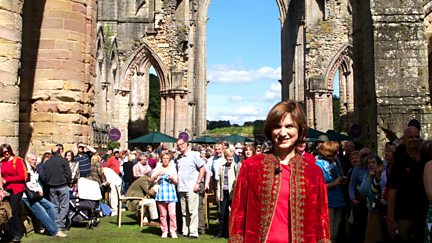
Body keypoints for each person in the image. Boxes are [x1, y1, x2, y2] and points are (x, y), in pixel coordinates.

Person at [229, 100, 330, 243]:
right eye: (277, 127)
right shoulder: (251, 167)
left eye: (289, 126)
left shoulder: (313, 172)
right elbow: (238, 215)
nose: (283, 133)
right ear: (270, 130)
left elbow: (322, 219)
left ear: (299, 129)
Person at [387, 126, 428, 241]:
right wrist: (390, 219)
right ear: (404, 140)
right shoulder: (399, 162)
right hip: (404, 215)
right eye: (410, 137)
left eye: (417, 136)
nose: (414, 139)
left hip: (423, 214)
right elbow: (392, 193)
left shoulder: (427, 160)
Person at [22, 152, 67, 238]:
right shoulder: (25, 169)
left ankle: (50, 228)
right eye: (32, 159)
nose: (34, 161)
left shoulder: (34, 168)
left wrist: (39, 189)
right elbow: (26, 183)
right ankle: (54, 231)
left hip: (36, 193)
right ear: (27, 159)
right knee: (41, 211)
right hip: (28, 196)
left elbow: (36, 181)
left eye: (35, 160)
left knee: (50, 206)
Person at [315, 141, 346, 242]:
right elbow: (316, 187)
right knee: (328, 233)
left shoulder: (334, 163)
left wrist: (342, 179)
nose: (337, 153)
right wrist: (334, 183)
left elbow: (337, 177)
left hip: (338, 200)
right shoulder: (318, 165)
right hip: (327, 202)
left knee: (335, 233)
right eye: (335, 152)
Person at [176, 138, 206, 238]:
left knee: (192, 211)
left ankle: (193, 232)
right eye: (178, 145)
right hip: (181, 187)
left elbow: (202, 168)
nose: (180, 146)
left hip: (191, 187)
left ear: (187, 144)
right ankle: (185, 231)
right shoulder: (178, 158)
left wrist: (198, 183)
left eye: (181, 144)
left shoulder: (194, 155)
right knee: (184, 212)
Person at [40, 145, 72, 231]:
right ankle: (60, 224)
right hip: (63, 186)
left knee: (55, 206)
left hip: (52, 187)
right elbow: (68, 173)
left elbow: (43, 176)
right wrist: (68, 181)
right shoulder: (63, 161)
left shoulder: (47, 162)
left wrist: (48, 182)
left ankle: (56, 223)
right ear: (59, 152)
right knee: (64, 206)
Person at [0, 144, 27, 242]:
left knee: (14, 210)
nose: (6, 153)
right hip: (6, 190)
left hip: (17, 189)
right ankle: (8, 233)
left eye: (7, 151)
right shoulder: (2, 162)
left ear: (10, 151)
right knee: (6, 211)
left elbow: (22, 177)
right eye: (4, 152)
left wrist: (8, 180)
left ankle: (17, 234)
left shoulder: (17, 161)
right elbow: (1, 176)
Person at [150, 151, 178, 238]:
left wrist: (172, 178)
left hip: (171, 193)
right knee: (163, 215)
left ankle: (173, 231)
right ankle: (164, 231)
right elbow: (150, 180)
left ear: (169, 159)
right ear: (161, 159)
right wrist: (157, 175)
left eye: (167, 158)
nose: (165, 160)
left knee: (172, 214)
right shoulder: (158, 167)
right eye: (163, 158)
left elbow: (176, 182)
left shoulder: (173, 168)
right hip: (161, 193)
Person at [359, 154, 387, 243]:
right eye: (369, 163)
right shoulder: (367, 176)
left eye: (373, 162)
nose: (370, 165)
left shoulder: (385, 175)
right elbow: (363, 193)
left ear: (379, 164)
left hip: (384, 212)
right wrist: (369, 177)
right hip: (372, 212)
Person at [215, 149, 237, 238]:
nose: (230, 158)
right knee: (223, 213)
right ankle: (221, 232)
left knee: (233, 213)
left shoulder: (235, 167)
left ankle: (232, 232)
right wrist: (219, 194)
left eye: (231, 156)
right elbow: (219, 182)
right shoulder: (222, 167)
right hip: (223, 192)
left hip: (232, 192)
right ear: (225, 157)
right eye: (228, 156)